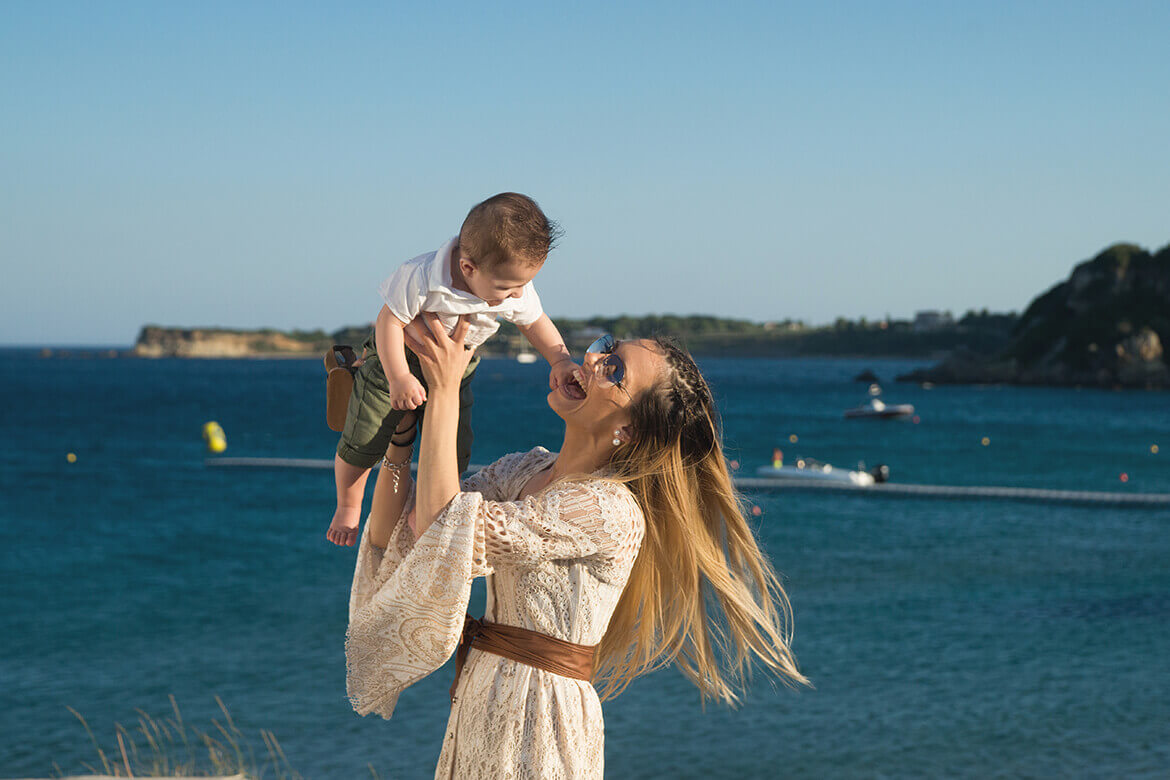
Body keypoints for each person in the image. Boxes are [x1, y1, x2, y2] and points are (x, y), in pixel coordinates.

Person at [346, 314, 808, 779]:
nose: (593, 358)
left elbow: (443, 528)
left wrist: (445, 392)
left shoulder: (607, 509)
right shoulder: (520, 470)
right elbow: (405, 534)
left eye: (615, 370)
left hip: (540, 720)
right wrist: (402, 436)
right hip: (479, 700)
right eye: (607, 347)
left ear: (628, 430)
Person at [326, 193, 578, 547]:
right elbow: (388, 322)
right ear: (468, 268)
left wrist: (560, 359)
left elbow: (535, 322)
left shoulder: (512, 285)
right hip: (397, 358)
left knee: (453, 445)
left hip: (458, 367)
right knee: (363, 437)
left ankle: (429, 508)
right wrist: (399, 376)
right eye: (507, 288)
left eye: (522, 286)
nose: (516, 296)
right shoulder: (422, 276)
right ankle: (348, 505)